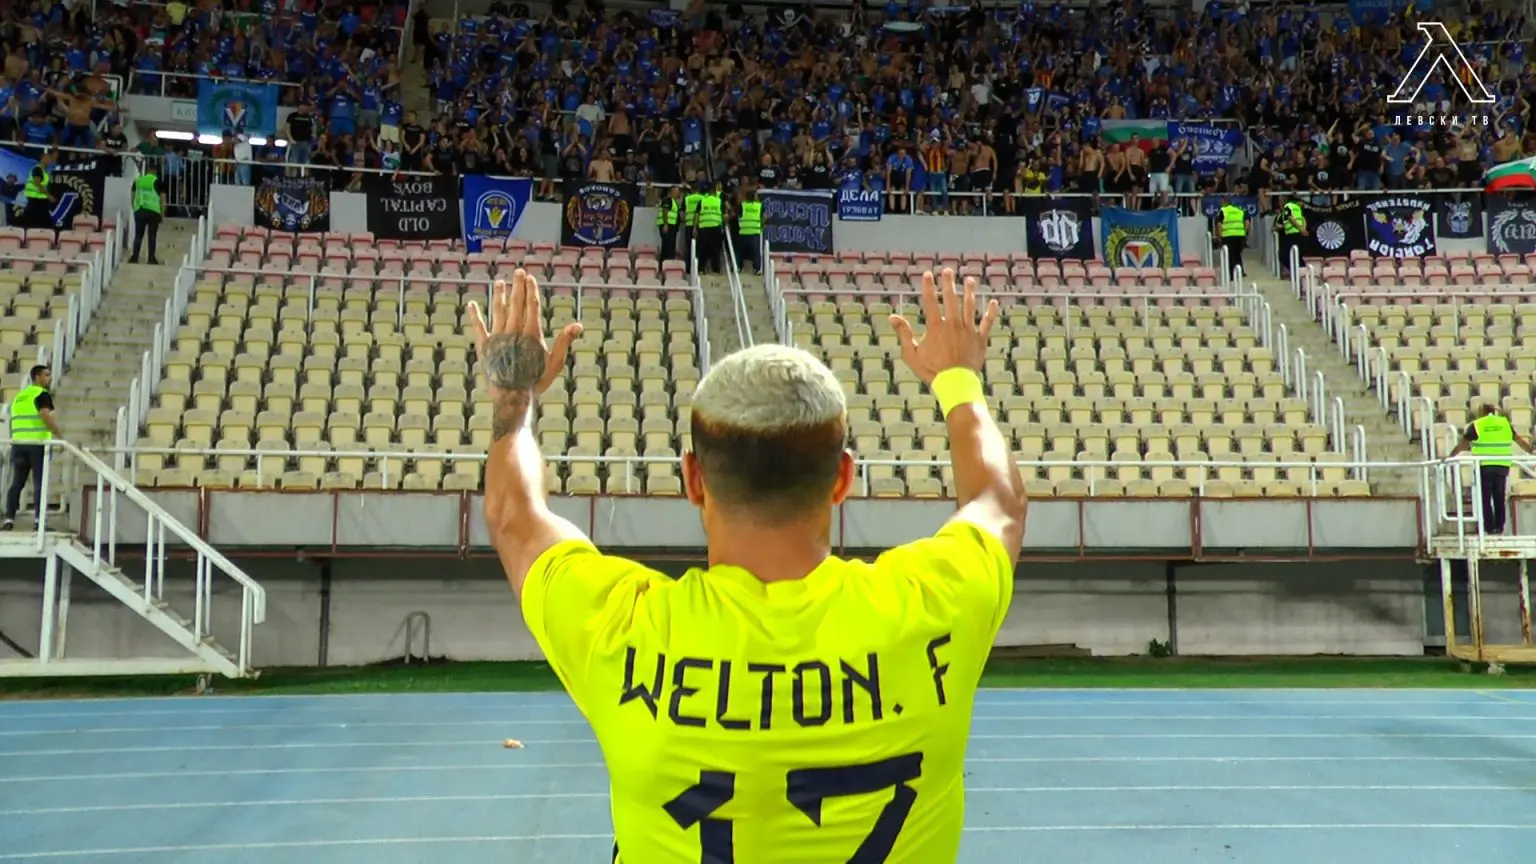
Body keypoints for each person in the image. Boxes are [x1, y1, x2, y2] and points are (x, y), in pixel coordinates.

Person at [469, 267, 1025, 864]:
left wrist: (515, 395)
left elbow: (512, 515)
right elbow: (998, 500)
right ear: (843, 478)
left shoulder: (623, 627)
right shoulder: (931, 605)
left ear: (692, 478)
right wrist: (958, 378)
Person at [1445, 405, 1536, 536]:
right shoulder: (1504, 423)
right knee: (1499, 496)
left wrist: (1450, 456)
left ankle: (1489, 527)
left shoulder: (1477, 424)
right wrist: (1531, 451)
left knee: (1485, 498)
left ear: (1482, 413)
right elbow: (1519, 440)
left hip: (1484, 466)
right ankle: (1499, 526)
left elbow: (1463, 444)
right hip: (1501, 465)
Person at [4, 364, 61, 530]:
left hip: (19, 444)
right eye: (46, 375)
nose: (50, 378)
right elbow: (45, 416)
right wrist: (59, 435)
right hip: (36, 445)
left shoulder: (20, 396)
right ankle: (39, 521)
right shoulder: (42, 394)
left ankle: (9, 519)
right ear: (37, 377)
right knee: (39, 484)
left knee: (17, 483)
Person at [128, 165, 165, 265]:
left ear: (147, 171)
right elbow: (162, 200)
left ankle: (135, 257)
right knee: (152, 236)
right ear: (155, 172)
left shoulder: (138, 181)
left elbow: (132, 196)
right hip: (154, 212)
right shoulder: (158, 182)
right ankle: (151, 258)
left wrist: (134, 208)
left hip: (140, 210)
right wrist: (162, 214)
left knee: (138, 235)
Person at [1215, 195, 1250, 282]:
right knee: (1237, 254)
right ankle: (1240, 272)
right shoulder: (1240, 210)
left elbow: (1219, 225)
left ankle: (1232, 276)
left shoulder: (1223, 211)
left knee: (1229, 256)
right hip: (1240, 236)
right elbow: (1247, 223)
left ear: (1225, 202)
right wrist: (1245, 234)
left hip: (1228, 236)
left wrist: (1219, 237)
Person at [1274, 195, 1307, 278]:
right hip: (1297, 235)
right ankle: (1300, 274)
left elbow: (1290, 218)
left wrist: (1300, 228)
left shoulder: (1288, 207)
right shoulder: (1297, 208)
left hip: (1292, 234)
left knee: (1286, 256)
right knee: (1297, 256)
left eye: (1280, 200)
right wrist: (1303, 229)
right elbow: (1303, 219)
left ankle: (1298, 274)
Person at [736, 190, 763, 274]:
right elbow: (765, 217)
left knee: (740, 252)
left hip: (743, 231)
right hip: (755, 232)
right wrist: (762, 225)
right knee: (756, 252)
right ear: (754, 197)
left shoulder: (742, 205)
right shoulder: (759, 206)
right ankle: (757, 269)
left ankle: (739, 267)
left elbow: (738, 216)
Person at [657, 186, 682, 262]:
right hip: (668, 227)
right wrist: (665, 224)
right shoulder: (668, 200)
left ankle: (667, 263)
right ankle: (665, 264)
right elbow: (665, 211)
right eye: (677, 192)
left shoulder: (674, 202)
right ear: (672, 192)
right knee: (668, 248)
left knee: (670, 248)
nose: (679, 194)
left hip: (672, 228)